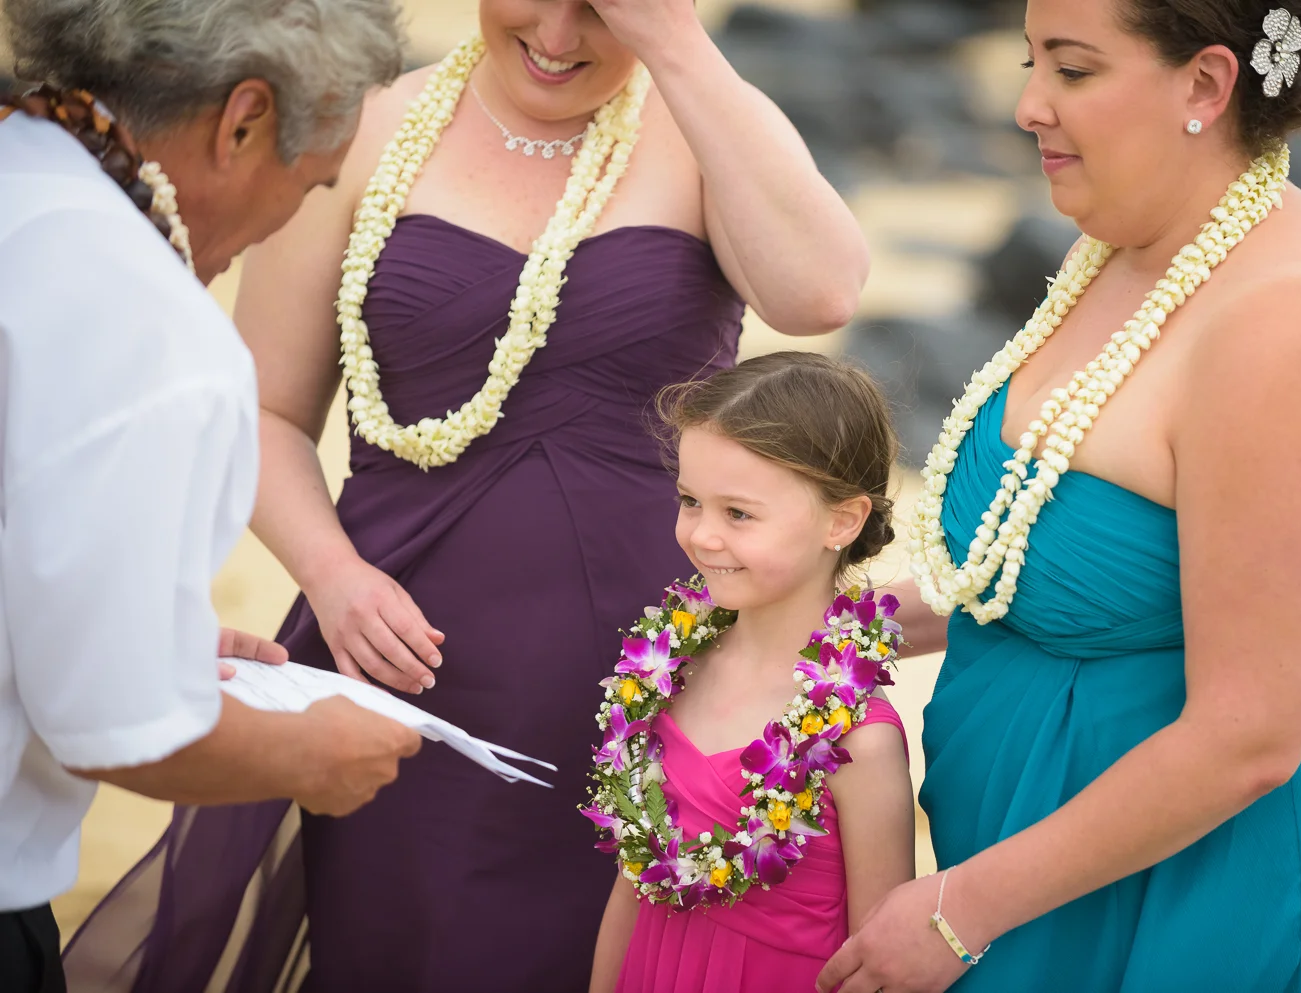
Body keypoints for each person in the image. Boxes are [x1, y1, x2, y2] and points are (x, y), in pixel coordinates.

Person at [83, 0, 873, 988]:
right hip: (407, 668)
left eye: (602, 10)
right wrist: (332, 576)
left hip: (657, 683)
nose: (559, 36)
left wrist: (674, 44)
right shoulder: (366, 125)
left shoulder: (704, 122)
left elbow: (819, 295)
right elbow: (265, 413)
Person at [819, 1, 1301, 991]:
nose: (1027, 105)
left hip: (1202, 916)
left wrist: (961, 910)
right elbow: (1025, 571)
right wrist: (820, 633)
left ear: (1206, 83)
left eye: (1073, 70)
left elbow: (1250, 736)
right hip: (1027, 887)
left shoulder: (1288, 332)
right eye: (1030, 61)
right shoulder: (1122, 247)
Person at [0, 1, 425, 991]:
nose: (289, 222)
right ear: (243, 122)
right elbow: (121, 724)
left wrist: (134, 628)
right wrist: (308, 754)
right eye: (309, 184)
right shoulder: (148, 326)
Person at [586, 353, 916, 992]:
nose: (702, 535)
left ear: (842, 520)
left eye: (738, 513)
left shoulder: (860, 740)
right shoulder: (662, 677)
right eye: (690, 501)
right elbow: (632, 886)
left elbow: (877, 963)